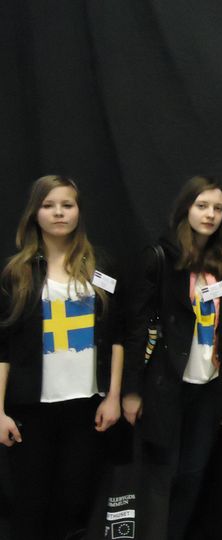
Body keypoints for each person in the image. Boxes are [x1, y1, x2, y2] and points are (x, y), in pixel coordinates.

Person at [0, 175, 124, 540]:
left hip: (85, 407)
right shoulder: (17, 273)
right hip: (31, 409)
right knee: (30, 504)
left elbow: (117, 337)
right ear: (34, 213)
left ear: (78, 212)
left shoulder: (101, 266)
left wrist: (113, 397)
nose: (59, 213)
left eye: (67, 205)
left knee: (74, 504)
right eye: (49, 205)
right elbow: (3, 347)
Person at [123, 175, 222, 540]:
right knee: (163, 475)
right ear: (185, 209)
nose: (210, 215)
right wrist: (131, 390)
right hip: (165, 385)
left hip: (208, 387)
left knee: (192, 475)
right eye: (202, 206)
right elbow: (137, 328)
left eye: (217, 208)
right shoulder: (160, 257)